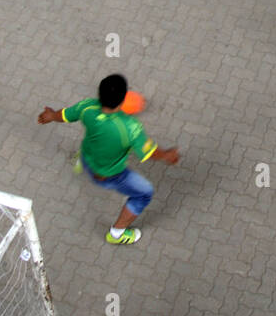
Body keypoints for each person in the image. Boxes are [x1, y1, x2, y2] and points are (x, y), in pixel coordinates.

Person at [37, 74, 179, 245]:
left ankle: (81, 162)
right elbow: (150, 153)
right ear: (123, 99)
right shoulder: (131, 127)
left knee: (93, 146)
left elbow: (65, 115)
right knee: (144, 193)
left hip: (88, 155)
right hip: (107, 175)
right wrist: (166, 155)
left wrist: (51, 116)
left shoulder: (87, 107)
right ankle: (117, 234)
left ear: (99, 94)